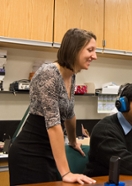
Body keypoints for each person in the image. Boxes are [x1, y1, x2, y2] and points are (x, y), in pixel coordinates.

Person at [8, 28, 97, 185]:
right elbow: (53, 124)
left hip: (48, 150)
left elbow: (69, 114)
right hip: (30, 152)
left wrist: (72, 141)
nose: (94, 56)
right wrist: (66, 173)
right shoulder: (49, 73)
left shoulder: (71, 74)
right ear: (74, 49)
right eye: (90, 50)